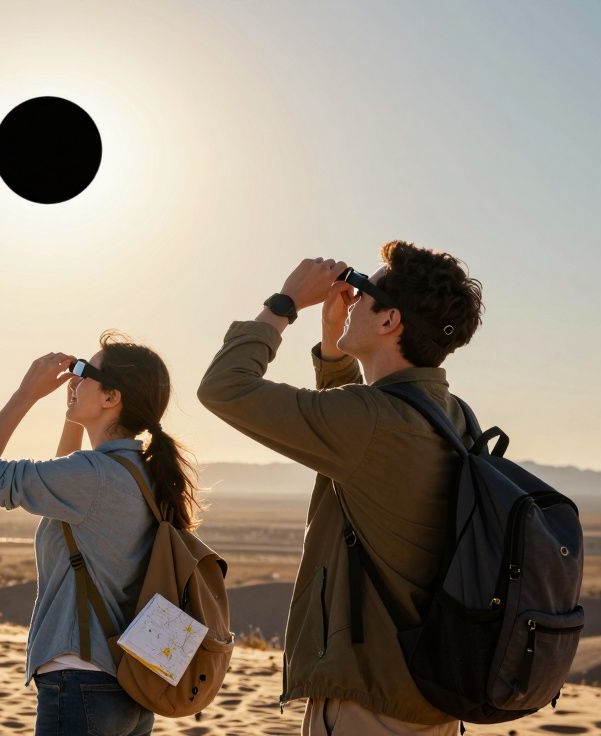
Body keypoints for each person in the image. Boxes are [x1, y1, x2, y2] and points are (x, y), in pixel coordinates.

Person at [197, 242, 484, 736]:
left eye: (363, 289)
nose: (353, 298)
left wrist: (284, 303)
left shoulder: (373, 422)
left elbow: (224, 387)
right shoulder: (453, 415)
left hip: (368, 705)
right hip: (431, 698)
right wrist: (335, 338)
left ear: (389, 320)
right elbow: (353, 444)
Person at [0, 332, 203, 736]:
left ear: (111, 397)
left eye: (85, 372)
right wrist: (71, 413)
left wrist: (25, 395)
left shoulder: (93, 477)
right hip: (129, 686)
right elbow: (64, 486)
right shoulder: (143, 473)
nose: (74, 379)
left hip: (81, 681)